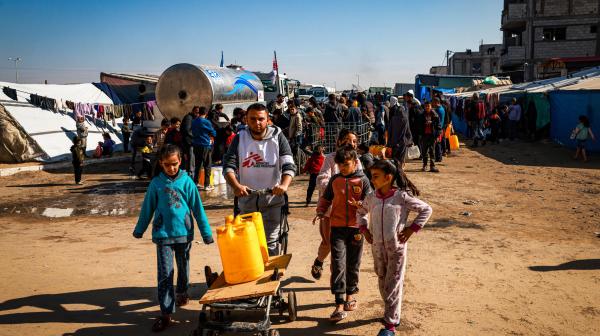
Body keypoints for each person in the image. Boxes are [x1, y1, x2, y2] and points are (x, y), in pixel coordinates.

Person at [133, 144, 214, 333]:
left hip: (184, 234)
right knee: (165, 274)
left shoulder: (187, 182)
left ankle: (182, 291)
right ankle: (166, 313)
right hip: (162, 235)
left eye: (175, 164)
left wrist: (206, 233)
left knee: (183, 266)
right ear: (161, 163)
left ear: (180, 162)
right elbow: (147, 209)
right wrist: (140, 229)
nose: (171, 168)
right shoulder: (156, 184)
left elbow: (198, 209)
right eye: (167, 165)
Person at [352, 159, 432, 336]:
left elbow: (426, 209)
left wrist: (412, 229)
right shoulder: (371, 197)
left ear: (388, 177)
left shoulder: (401, 197)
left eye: (376, 176)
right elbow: (360, 212)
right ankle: (392, 312)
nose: (372, 180)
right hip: (377, 250)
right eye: (371, 176)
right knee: (382, 281)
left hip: (396, 249)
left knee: (393, 284)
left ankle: (390, 325)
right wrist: (364, 229)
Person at [223, 103, 296, 256]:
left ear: (267, 119)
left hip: (273, 201)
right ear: (246, 120)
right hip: (246, 201)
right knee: (249, 244)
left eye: (261, 119)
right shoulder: (239, 138)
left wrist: (283, 185)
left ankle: (270, 277)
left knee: (270, 244)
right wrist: (236, 186)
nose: (257, 123)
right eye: (253, 119)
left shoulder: (278, 137)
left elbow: (289, 164)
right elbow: (228, 167)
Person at [313, 146, 371, 322]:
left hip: (356, 229)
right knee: (338, 264)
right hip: (336, 228)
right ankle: (338, 305)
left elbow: (370, 202)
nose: (343, 168)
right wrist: (321, 211)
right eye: (340, 165)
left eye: (346, 164)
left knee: (353, 263)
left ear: (355, 162)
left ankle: (350, 296)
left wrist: (360, 205)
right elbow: (326, 198)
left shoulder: (363, 181)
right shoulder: (335, 180)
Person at [311, 129, 363, 280]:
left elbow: (361, 184)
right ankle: (319, 261)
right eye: (348, 140)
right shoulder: (330, 158)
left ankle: (339, 285)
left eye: (354, 141)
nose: (351, 144)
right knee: (328, 244)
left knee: (343, 249)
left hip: (350, 212)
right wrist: (339, 185)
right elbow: (321, 180)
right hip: (330, 211)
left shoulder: (357, 162)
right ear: (339, 141)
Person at [192, 106, 216, 190]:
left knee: (198, 165)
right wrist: (212, 134)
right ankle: (207, 184)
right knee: (207, 165)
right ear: (206, 113)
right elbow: (213, 132)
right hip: (205, 145)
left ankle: (196, 183)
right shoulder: (206, 122)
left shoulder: (194, 121)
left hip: (196, 145)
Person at [386, 96, 412, 168]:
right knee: (401, 158)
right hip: (402, 142)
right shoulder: (405, 119)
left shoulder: (393, 119)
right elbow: (408, 131)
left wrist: (389, 143)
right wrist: (409, 141)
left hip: (394, 142)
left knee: (395, 158)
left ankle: (396, 170)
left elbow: (390, 131)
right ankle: (400, 170)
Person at [417, 101, 441, 173]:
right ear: (424, 107)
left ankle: (432, 166)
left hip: (432, 135)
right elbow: (419, 126)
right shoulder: (421, 115)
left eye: (428, 106)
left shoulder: (435, 115)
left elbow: (438, 127)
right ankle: (425, 165)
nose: (427, 107)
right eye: (426, 106)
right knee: (424, 151)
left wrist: (437, 135)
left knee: (432, 151)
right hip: (424, 135)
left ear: (431, 107)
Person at [181, 107, 197, 176]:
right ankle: (191, 176)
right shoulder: (189, 117)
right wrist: (195, 136)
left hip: (190, 142)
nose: (197, 114)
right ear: (193, 111)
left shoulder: (192, 118)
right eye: (196, 112)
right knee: (191, 160)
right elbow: (187, 130)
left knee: (191, 160)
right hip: (189, 142)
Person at [432, 98, 446, 162]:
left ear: (437, 102)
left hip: (438, 129)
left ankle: (438, 157)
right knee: (438, 143)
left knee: (437, 143)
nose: (433, 103)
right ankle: (438, 157)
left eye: (433, 102)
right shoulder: (442, 109)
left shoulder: (438, 110)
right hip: (441, 128)